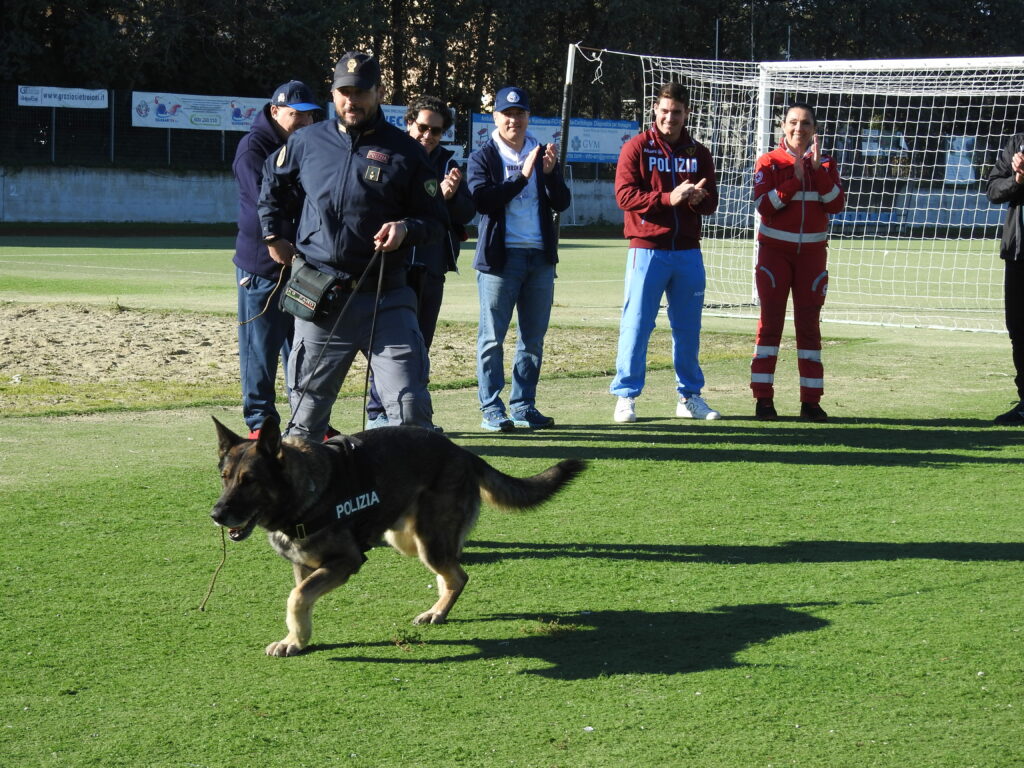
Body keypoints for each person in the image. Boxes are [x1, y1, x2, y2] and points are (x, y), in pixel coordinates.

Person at [258, 52, 446, 441]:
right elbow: (271, 184)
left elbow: (435, 221)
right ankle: (305, 499)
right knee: (305, 419)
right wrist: (273, 235)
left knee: (410, 410)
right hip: (321, 296)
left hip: (386, 297)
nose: (351, 100)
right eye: (344, 91)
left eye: (360, 92)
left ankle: (412, 499)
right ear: (333, 93)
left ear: (378, 93)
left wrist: (406, 229)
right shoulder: (307, 141)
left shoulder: (406, 151)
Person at [609, 82, 720, 424]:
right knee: (637, 325)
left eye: (677, 112)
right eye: (664, 111)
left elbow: (712, 202)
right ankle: (625, 397)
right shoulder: (636, 147)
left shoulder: (698, 153)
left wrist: (700, 201)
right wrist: (667, 198)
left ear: (687, 114)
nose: (669, 117)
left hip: (687, 252)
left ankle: (689, 397)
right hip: (647, 250)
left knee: (688, 327)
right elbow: (624, 196)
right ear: (655, 111)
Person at [364, 94, 475, 430]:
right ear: (409, 123)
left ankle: (416, 418)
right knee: (387, 346)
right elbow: (379, 206)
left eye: (436, 132)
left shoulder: (450, 165)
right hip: (393, 267)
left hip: (431, 267)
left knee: (421, 346)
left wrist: (451, 198)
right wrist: (436, 196)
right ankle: (378, 414)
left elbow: (467, 214)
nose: (427, 136)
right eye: (423, 127)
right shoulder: (389, 155)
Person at [467, 86, 571, 432]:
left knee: (533, 338)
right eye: (507, 114)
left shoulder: (541, 152)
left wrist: (552, 173)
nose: (514, 120)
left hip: (539, 258)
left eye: (520, 114)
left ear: (528, 117)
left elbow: (561, 203)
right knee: (492, 337)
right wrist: (522, 176)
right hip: (501, 260)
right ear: (496, 117)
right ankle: (491, 408)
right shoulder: (483, 156)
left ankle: (524, 406)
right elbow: (482, 201)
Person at [231, 80, 318, 439]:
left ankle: (308, 422)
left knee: (302, 350)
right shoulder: (254, 147)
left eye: (309, 115)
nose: (302, 121)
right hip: (262, 267)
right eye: (295, 114)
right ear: (275, 111)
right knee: (259, 350)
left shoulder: (309, 147)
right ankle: (260, 423)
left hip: (303, 265)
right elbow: (264, 202)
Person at [749, 102, 844, 422]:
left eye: (805, 123)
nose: (798, 128)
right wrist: (794, 180)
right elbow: (765, 206)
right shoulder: (769, 161)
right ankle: (763, 400)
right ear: (783, 127)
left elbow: (836, 205)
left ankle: (811, 402)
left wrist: (815, 173)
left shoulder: (826, 164)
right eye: (793, 122)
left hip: (813, 259)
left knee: (809, 329)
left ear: (814, 129)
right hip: (774, 256)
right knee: (770, 325)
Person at [985, 134, 1024, 426]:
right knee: (1019, 330)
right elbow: (994, 190)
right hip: (1019, 253)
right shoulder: (1018, 142)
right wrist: (1018, 179)